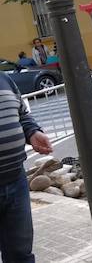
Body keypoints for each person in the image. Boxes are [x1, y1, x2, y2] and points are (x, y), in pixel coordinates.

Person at [0, 71, 53, 262]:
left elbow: (22, 115)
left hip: (16, 180)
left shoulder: (4, 79)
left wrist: (32, 132)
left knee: (20, 254)